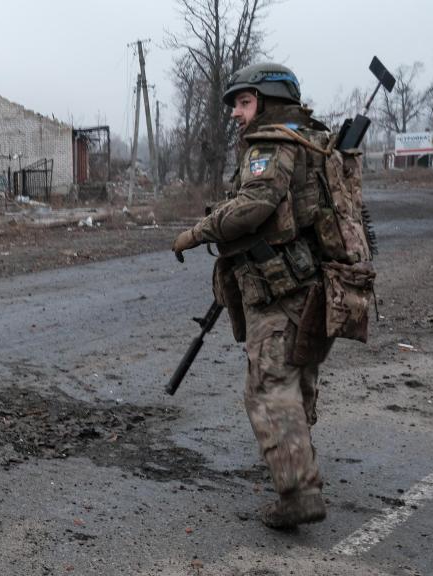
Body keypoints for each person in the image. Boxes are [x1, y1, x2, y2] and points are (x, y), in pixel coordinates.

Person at [172, 63, 337, 529]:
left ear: (268, 101)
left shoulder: (271, 143)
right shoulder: (308, 139)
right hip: (309, 283)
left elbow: (255, 206)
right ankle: (300, 465)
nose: (236, 114)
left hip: (281, 287)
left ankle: (299, 491)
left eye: (244, 103)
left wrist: (197, 232)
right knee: (296, 375)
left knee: (267, 386)